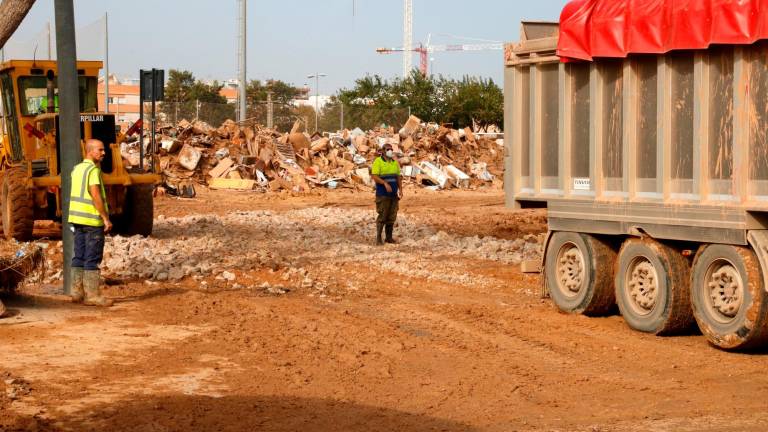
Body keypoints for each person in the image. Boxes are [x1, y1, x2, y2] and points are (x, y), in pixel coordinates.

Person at [68, 139, 113, 307]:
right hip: (91, 220)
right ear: (90, 151)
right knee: (92, 258)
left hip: (77, 219)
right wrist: (105, 217)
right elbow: (95, 194)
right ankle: (92, 296)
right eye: (100, 150)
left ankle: (77, 293)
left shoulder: (77, 169)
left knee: (79, 255)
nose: (103, 153)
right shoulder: (93, 170)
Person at [370, 143, 403, 245]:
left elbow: (398, 177)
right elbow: (374, 176)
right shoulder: (378, 162)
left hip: (393, 195)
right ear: (383, 151)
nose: (390, 151)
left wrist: (401, 189)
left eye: (391, 149)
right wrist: (384, 183)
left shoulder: (394, 163)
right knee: (382, 216)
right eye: (388, 149)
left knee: (391, 217)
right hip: (382, 195)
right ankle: (379, 238)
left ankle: (389, 238)